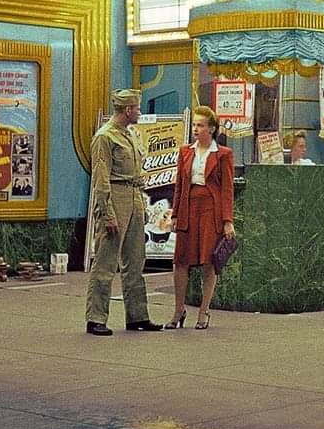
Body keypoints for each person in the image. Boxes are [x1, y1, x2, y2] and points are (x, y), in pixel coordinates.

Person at [84, 88, 162, 336]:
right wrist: (106, 213)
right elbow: (101, 179)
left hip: (135, 195)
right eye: (137, 108)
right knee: (106, 262)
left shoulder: (130, 135)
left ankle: (137, 316)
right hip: (115, 197)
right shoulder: (104, 137)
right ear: (128, 110)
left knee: (135, 262)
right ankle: (96, 317)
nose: (139, 112)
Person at [167, 105, 236, 330]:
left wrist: (227, 221)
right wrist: (175, 214)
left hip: (211, 210)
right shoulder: (185, 151)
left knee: (209, 262)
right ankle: (179, 310)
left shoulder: (223, 154)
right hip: (188, 207)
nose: (196, 129)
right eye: (194, 125)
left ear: (212, 129)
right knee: (181, 261)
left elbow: (227, 189)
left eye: (200, 125)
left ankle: (204, 311)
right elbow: (179, 185)